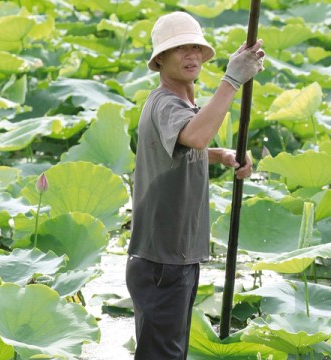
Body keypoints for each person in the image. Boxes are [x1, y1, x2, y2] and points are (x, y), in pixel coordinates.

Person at [126, 11, 265, 360]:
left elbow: (188, 149)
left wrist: (223, 156)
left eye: (195, 48)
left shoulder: (183, 105)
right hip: (162, 261)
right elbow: (197, 136)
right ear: (159, 60)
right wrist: (232, 80)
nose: (190, 55)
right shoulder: (165, 103)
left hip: (175, 257)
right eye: (179, 49)